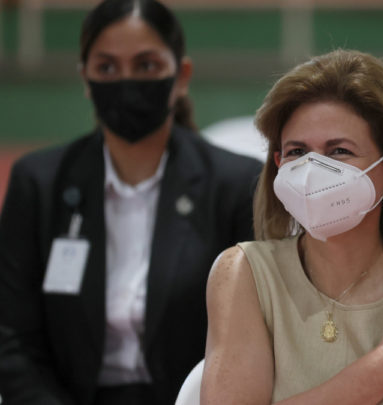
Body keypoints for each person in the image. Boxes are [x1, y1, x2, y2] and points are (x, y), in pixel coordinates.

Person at [201, 49, 383, 404]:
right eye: (297, 152)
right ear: (278, 163)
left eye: (339, 152)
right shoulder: (244, 274)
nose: (312, 171)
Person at [0, 1, 262, 404]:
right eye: (106, 67)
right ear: (85, 78)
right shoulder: (39, 183)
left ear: (181, 76)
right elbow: (12, 339)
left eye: (146, 65)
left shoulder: (235, 185)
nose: (126, 81)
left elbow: (253, 337)